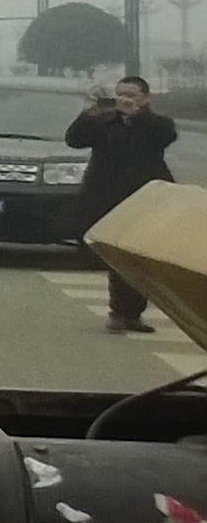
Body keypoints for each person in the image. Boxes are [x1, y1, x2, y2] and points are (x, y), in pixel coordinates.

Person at [73, 74, 179, 333]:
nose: (125, 100)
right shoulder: (104, 122)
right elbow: (73, 139)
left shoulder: (156, 123)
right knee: (117, 257)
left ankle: (133, 314)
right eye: (120, 94)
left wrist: (138, 117)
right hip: (108, 198)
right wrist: (87, 114)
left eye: (131, 95)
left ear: (145, 98)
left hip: (145, 199)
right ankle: (118, 312)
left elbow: (167, 136)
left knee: (140, 259)